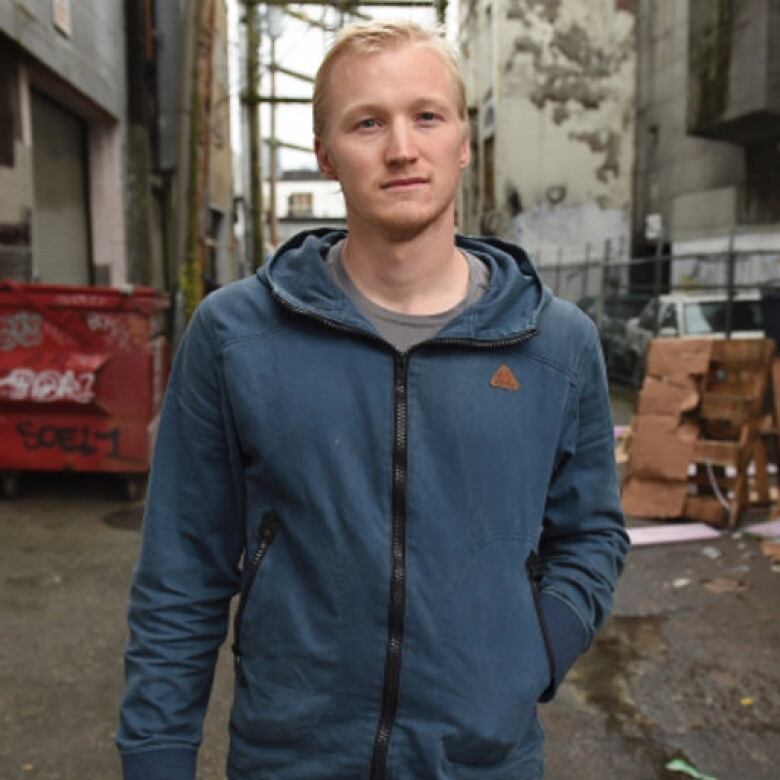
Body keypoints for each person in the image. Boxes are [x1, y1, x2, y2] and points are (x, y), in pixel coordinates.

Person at [117, 20, 628, 780]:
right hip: (290, 760)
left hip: (483, 763)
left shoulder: (556, 346)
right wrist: (156, 760)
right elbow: (181, 572)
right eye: (367, 122)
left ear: (464, 141)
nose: (400, 148)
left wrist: (532, 652)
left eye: (427, 115)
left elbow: (591, 533)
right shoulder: (234, 337)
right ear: (325, 154)